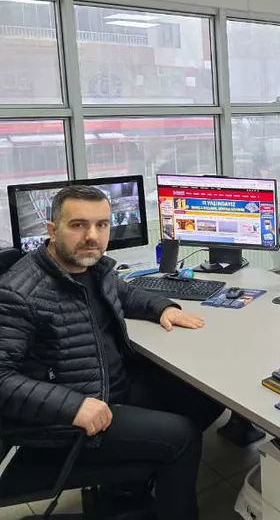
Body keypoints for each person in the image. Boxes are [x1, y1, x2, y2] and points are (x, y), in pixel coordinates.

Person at [0, 185, 224, 520]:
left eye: (102, 225)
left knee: (206, 396)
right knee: (182, 437)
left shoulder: (92, 268)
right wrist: (74, 406)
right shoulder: (20, 291)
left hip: (107, 386)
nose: (92, 236)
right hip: (66, 421)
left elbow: (125, 293)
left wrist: (163, 308)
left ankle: (127, 486)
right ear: (52, 230)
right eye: (78, 225)